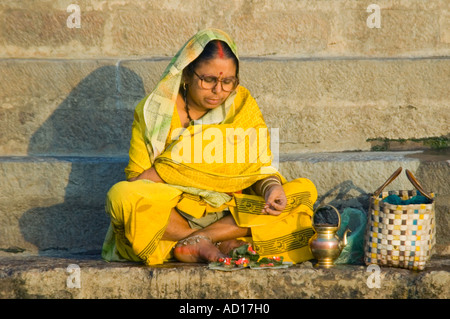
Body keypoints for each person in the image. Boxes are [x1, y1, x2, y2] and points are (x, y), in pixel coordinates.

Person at [101, 28, 318, 266]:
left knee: (303, 191)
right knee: (121, 197)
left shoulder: (241, 105)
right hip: (174, 211)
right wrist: (173, 169)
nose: (218, 91)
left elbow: (256, 168)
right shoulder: (155, 111)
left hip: (230, 210)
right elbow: (137, 180)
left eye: (228, 81)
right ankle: (211, 242)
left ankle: (202, 241)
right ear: (186, 74)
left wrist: (271, 189)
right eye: (209, 80)